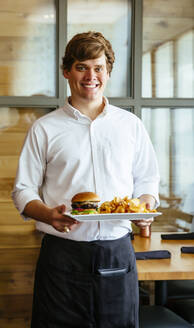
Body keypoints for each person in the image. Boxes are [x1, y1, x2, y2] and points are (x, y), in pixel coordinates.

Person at [12, 31, 160, 328]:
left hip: (117, 253)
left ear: (108, 72)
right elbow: (22, 190)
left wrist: (144, 209)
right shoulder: (45, 128)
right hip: (61, 255)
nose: (90, 76)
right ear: (67, 71)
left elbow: (147, 180)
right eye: (81, 67)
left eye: (98, 67)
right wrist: (48, 214)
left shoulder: (131, 125)